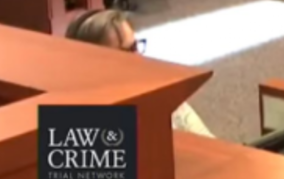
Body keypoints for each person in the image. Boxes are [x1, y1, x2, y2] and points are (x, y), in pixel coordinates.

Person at [65, 9, 214, 136]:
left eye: (135, 46)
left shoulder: (162, 98)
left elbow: (212, 145)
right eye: (125, 53)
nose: (138, 58)